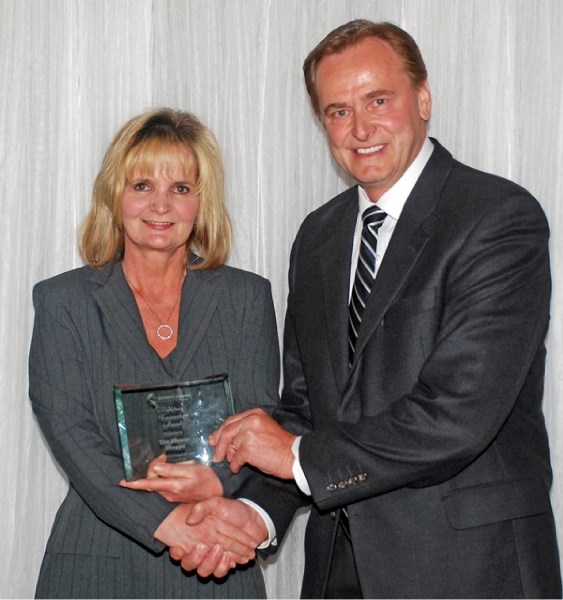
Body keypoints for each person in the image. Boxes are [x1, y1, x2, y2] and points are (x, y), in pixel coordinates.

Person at [207, 20, 562, 598]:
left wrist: (296, 455)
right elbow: (305, 408)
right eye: (338, 111)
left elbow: (458, 415)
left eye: (378, 100)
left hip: (469, 569)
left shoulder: (497, 218)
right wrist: (258, 514)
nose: (361, 128)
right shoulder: (318, 236)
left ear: (423, 98)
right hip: (338, 568)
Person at [28, 107, 278, 598]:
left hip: (218, 558)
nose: (160, 205)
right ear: (114, 196)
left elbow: (260, 417)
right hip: (98, 561)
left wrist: (216, 484)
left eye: (180, 189)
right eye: (142, 185)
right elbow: (71, 434)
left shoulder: (247, 298)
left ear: (201, 202)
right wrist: (171, 524)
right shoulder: (63, 302)